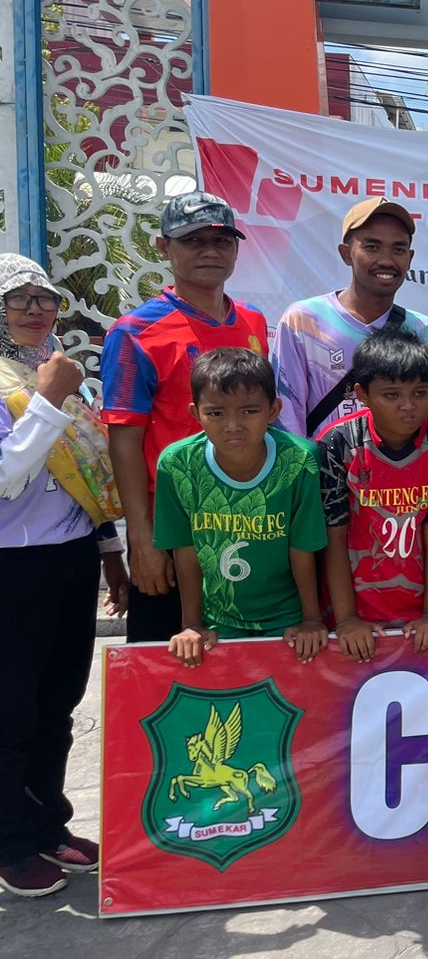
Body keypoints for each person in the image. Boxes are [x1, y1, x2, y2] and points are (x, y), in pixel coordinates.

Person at [0, 256, 126, 897]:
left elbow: (90, 479)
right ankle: (10, 843)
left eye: (44, 298)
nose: (34, 309)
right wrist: (47, 400)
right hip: (11, 567)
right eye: (17, 298)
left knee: (58, 706)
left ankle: (48, 823)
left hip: (71, 559)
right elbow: (6, 475)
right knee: (11, 712)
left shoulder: (58, 374)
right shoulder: (34, 383)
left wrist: (111, 553)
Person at [102, 192, 269, 644]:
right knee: (167, 659)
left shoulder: (253, 322)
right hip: (174, 528)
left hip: (249, 522)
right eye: (194, 240)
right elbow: (124, 441)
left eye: (222, 240)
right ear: (164, 247)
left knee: (248, 656)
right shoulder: (135, 332)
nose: (210, 251)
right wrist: (142, 540)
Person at [153, 349, 327, 667]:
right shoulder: (177, 464)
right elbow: (185, 549)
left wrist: (311, 620)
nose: (233, 425)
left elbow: (302, 549)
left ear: (273, 410)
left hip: (287, 619)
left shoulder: (299, 460)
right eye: (216, 413)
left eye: (249, 411)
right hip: (218, 622)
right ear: (196, 413)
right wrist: (191, 625)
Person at [318, 329, 428, 661]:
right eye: (391, 395)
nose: (408, 406)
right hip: (355, 618)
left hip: (425, 619)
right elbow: (334, 534)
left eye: (419, 393)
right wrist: (347, 620)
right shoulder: (337, 443)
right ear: (362, 394)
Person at [273, 197, 428, 438]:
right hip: (319, 461)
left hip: (395, 463)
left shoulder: (422, 328)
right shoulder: (303, 320)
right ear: (346, 254)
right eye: (372, 247)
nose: (386, 260)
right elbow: (286, 415)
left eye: (398, 249)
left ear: (410, 258)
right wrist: (302, 462)